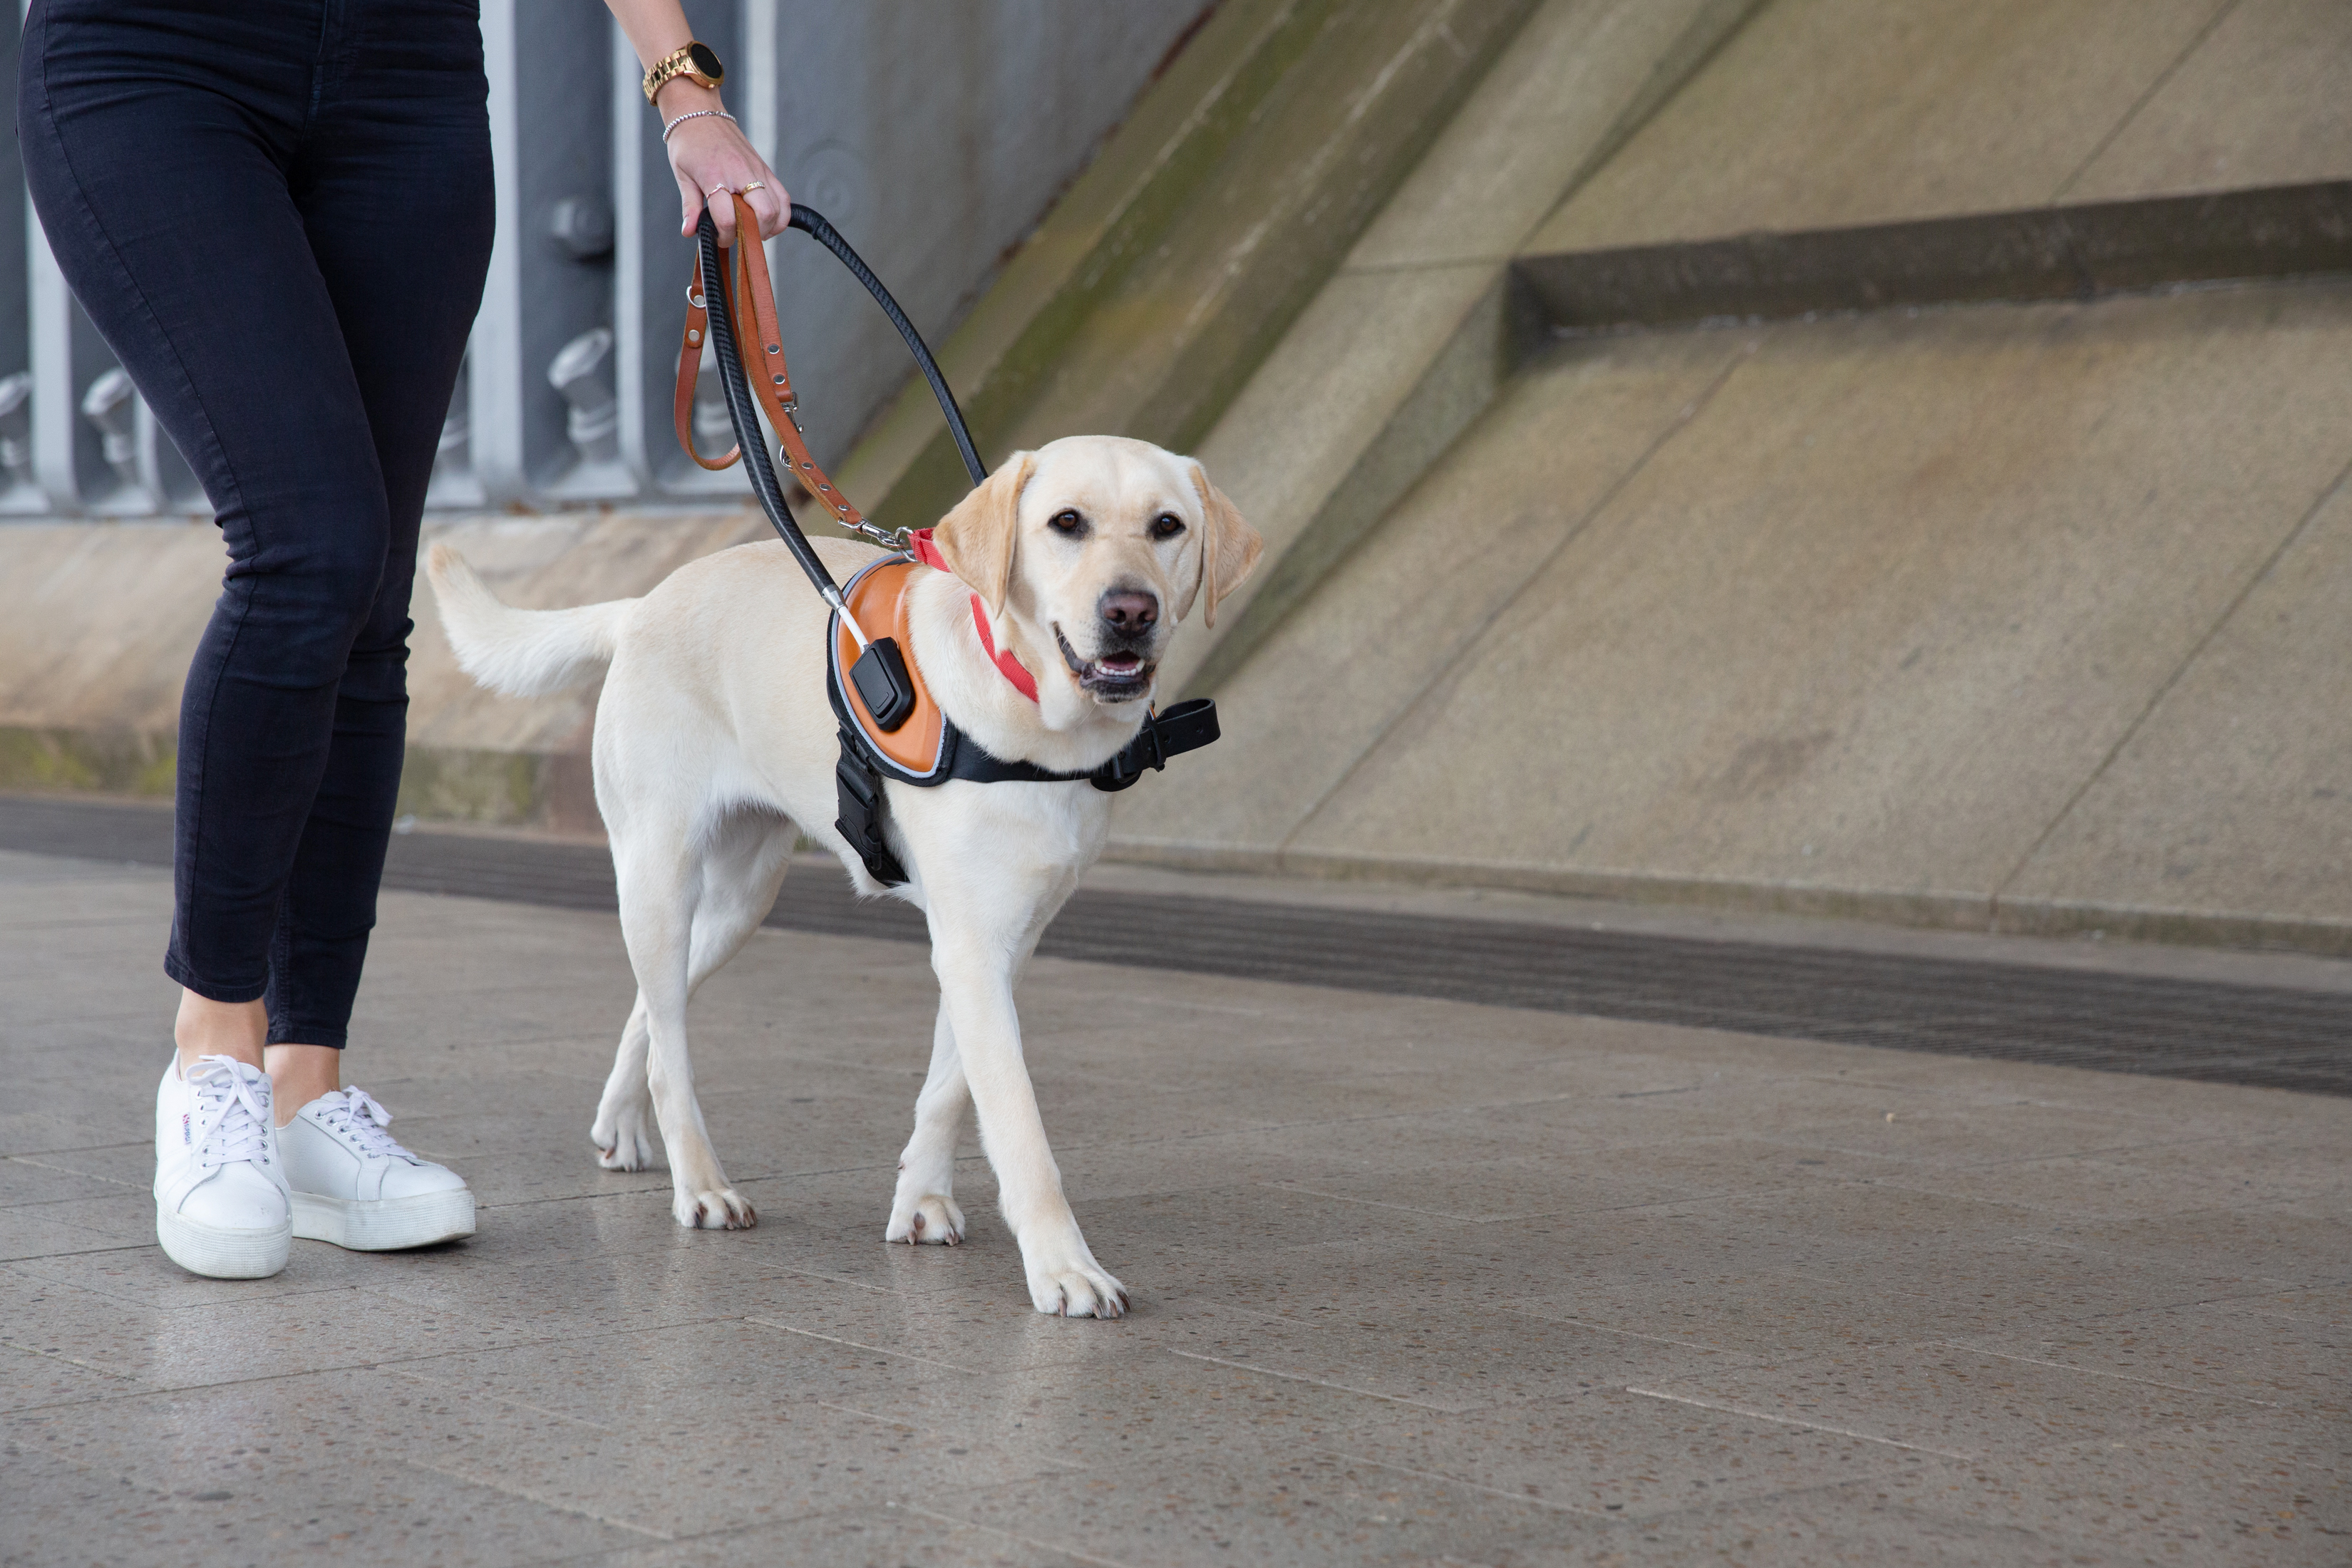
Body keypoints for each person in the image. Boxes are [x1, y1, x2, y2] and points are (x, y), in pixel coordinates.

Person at [19, 0, 787, 1279]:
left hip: (405, 78)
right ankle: (212, 1056)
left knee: (367, 601)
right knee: (308, 545)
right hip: (155, 56)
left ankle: (303, 1091)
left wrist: (683, 89)